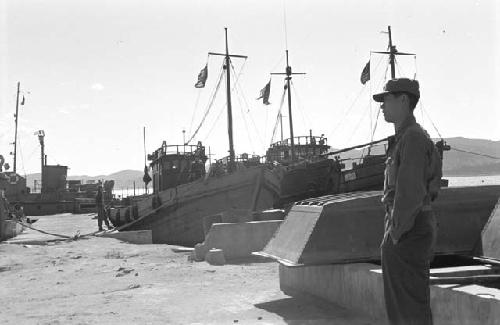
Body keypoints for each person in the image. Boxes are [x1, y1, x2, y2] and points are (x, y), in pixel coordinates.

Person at [373, 78, 442, 325]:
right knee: (404, 306)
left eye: (386, 99)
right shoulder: (406, 137)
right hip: (407, 229)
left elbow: (410, 194)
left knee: (408, 308)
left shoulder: (412, 138)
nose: (382, 106)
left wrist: (395, 235)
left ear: (404, 100)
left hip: (408, 231)